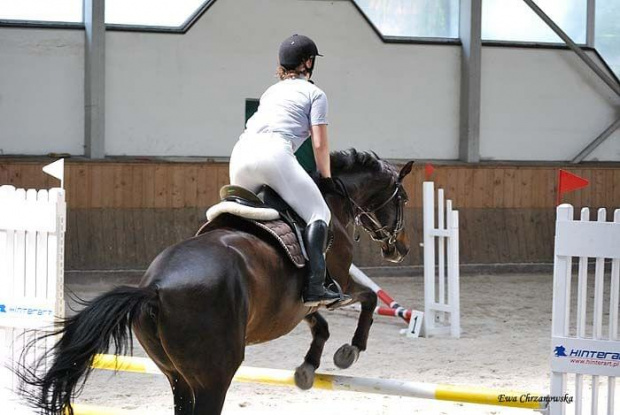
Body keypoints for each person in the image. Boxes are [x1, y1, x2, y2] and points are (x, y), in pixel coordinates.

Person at [229, 34, 348, 307]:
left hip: (240, 155)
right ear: (308, 62)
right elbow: (319, 144)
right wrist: (326, 178)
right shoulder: (315, 93)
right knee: (320, 213)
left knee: (240, 215)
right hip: (274, 155)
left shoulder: (271, 91)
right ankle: (316, 286)